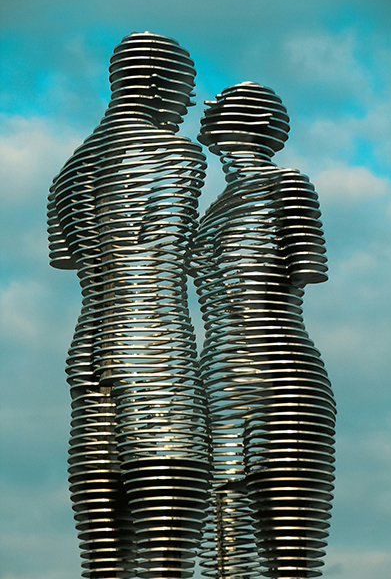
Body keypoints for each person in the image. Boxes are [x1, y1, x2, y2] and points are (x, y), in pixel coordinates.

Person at [48, 32, 210, 579]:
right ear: (153, 80)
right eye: (185, 89)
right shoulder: (176, 153)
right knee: (169, 528)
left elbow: (72, 258)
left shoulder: (66, 174)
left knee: (105, 554)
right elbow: (166, 253)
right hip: (151, 341)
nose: (187, 104)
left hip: (87, 349)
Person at [191, 82, 336, 579]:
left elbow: (306, 267)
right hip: (215, 376)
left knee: (288, 551)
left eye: (222, 104)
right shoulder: (208, 213)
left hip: (283, 370)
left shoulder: (287, 185)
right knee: (225, 543)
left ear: (254, 121)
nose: (206, 110)